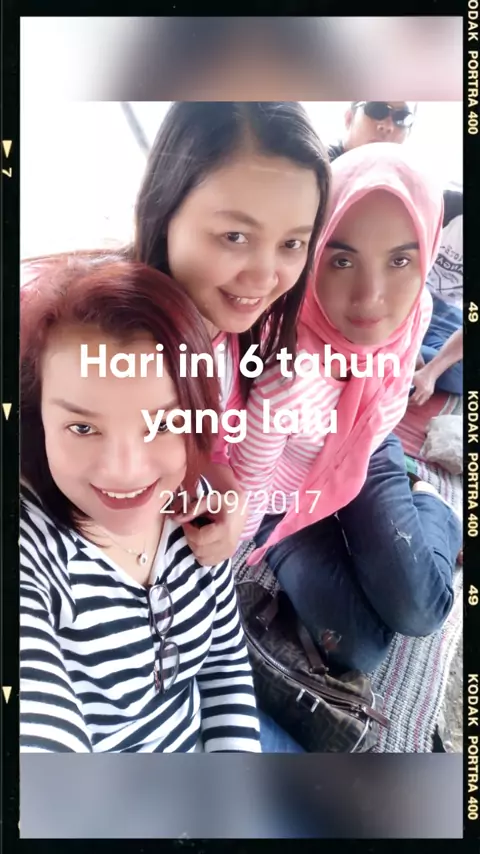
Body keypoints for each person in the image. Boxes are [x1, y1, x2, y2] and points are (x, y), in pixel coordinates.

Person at [19, 256, 302, 752]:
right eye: (82, 427)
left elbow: (224, 663)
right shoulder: (30, 554)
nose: (124, 471)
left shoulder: (197, 511)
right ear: (35, 418)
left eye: (163, 424)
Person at [230, 143, 462, 674]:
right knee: (357, 649)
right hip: (286, 494)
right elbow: (249, 488)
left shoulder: (418, 312)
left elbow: (386, 413)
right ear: (312, 253)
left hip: (368, 452)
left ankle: (432, 504)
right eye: (341, 260)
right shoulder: (282, 367)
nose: (371, 297)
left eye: (400, 260)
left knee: (420, 609)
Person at [133, 101, 330, 567]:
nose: (264, 277)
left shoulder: (236, 335)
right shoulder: (105, 341)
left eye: (291, 243)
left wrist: (230, 495)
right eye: (235, 236)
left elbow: (212, 442)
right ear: (165, 210)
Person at [410, 191, 463, 404]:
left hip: (450, 316)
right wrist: (410, 346)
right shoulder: (447, 206)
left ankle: (391, 356)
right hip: (411, 298)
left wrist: (431, 372)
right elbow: (398, 267)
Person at [327, 101, 416, 162]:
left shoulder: (408, 179)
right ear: (349, 118)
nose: (388, 126)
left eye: (402, 118)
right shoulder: (322, 167)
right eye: (376, 110)